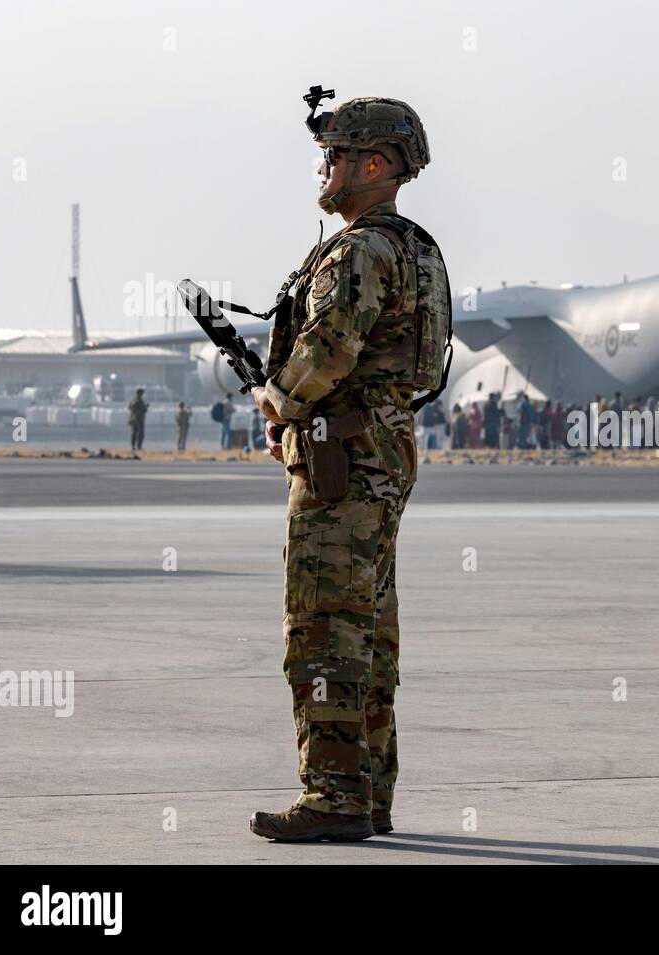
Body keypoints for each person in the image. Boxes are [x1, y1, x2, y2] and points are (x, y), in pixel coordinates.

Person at [248, 92, 448, 843]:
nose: (324, 170)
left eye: (335, 156)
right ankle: (371, 790)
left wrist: (280, 401)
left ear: (375, 164)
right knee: (369, 631)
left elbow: (327, 352)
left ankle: (335, 795)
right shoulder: (415, 248)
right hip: (380, 450)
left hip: (344, 461)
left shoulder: (362, 249)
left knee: (325, 630)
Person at [127, 387, 148, 452]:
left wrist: (145, 407)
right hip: (136, 419)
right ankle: (135, 447)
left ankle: (138, 447)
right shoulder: (136, 400)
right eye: (141, 393)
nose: (142, 394)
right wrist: (144, 408)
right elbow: (131, 408)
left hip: (138, 419)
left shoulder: (138, 400)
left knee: (139, 434)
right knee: (136, 433)